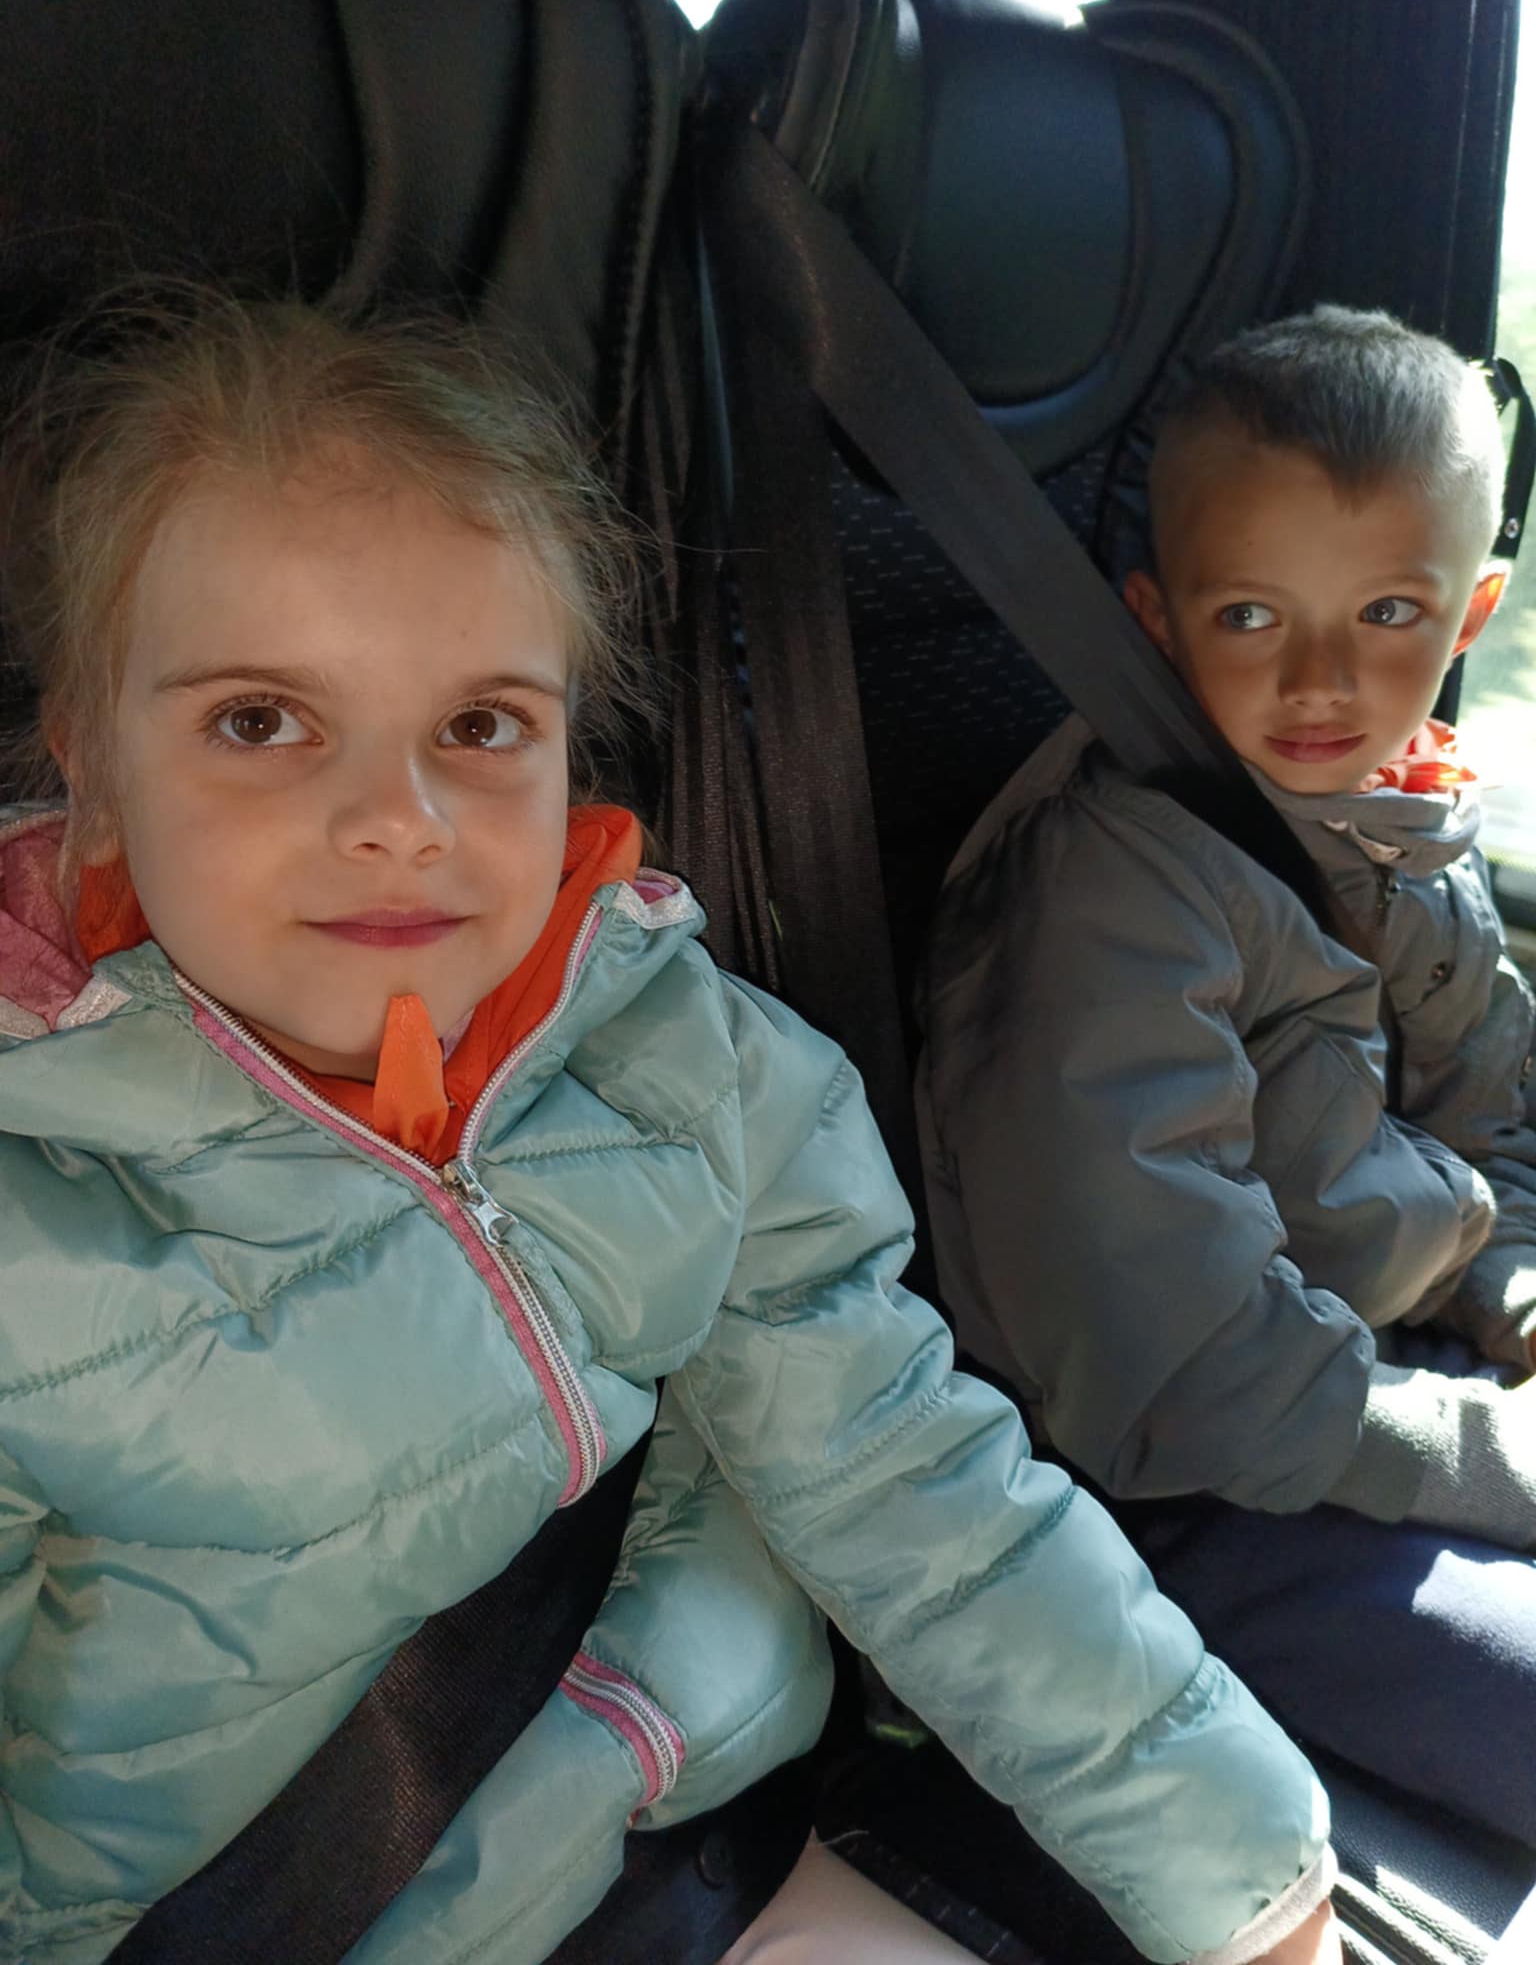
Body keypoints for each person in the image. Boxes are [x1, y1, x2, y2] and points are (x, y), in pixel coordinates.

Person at [0, 294, 1339, 1965]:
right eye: (261, 721)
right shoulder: (40, 1209)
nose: (399, 821)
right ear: (93, 772)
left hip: (699, 1846)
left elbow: (913, 1484)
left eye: (479, 727)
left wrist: (1242, 1871)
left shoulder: (688, 1066)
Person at [918, 304, 1536, 1848]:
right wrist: (1491, 1455)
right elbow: (1179, 1368)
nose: (1324, 679)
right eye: (1253, 616)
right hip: (1156, 1491)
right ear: (1154, 617)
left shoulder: (1406, 828)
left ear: (1473, 613)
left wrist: (1511, 1295)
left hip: (1362, 1377)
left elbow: (1492, 1112)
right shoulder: (1118, 894)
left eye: (1389, 612)